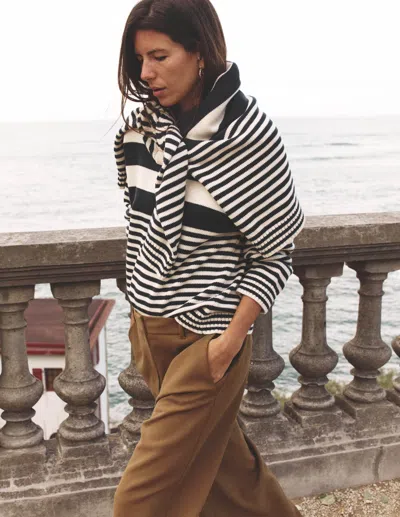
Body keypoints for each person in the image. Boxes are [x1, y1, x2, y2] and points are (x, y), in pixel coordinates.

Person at [113, 0, 304, 516]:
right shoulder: (141, 131)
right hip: (149, 331)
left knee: (139, 500)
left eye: (159, 56)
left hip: (205, 338)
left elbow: (275, 253)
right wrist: (140, 305)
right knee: (230, 476)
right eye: (139, 60)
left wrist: (229, 341)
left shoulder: (247, 137)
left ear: (199, 53)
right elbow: (139, 223)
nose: (145, 74)